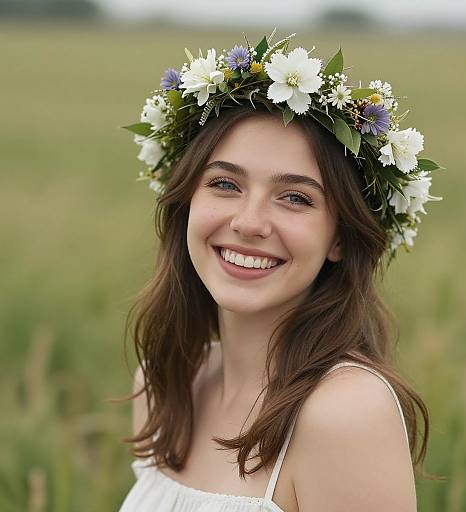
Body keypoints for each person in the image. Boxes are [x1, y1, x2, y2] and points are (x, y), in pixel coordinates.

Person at [119, 31, 442, 512]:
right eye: (225, 183)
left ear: (339, 237)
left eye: (295, 197)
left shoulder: (344, 414)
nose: (248, 223)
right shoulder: (165, 383)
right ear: (187, 202)